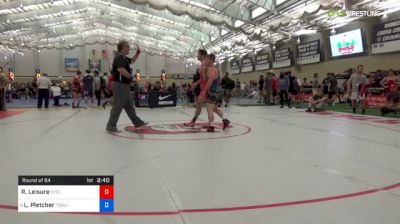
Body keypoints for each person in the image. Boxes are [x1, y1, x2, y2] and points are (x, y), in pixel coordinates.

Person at [106, 40, 147, 132]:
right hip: (120, 85)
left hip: (124, 85)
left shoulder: (124, 58)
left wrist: (137, 54)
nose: (129, 48)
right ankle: (111, 126)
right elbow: (120, 69)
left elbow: (132, 60)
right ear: (122, 48)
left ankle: (138, 122)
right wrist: (132, 77)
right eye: (127, 46)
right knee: (118, 106)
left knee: (129, 106)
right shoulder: (119, 57)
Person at [203, 54, 230, 132]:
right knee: (214, 108)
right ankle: (225, 120)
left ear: (211, 60)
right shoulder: (212, 69)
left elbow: (209, 81)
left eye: (207, 59)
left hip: (213, 92)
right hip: (217, 92)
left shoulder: (212, 70)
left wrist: (205, 90)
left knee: (209, 109)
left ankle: (211, 127)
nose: (205, 61)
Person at [184, 49, 208, 127]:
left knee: (208, 107)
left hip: (206, 88)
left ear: (203, 55)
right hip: (204, 88)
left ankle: (193, 122)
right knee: (204, 106)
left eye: (198, 54)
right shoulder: (202, 64)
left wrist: (196, 83)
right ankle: (194, 122)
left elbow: (206, 78)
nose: (197, 56)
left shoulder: (204, 65)